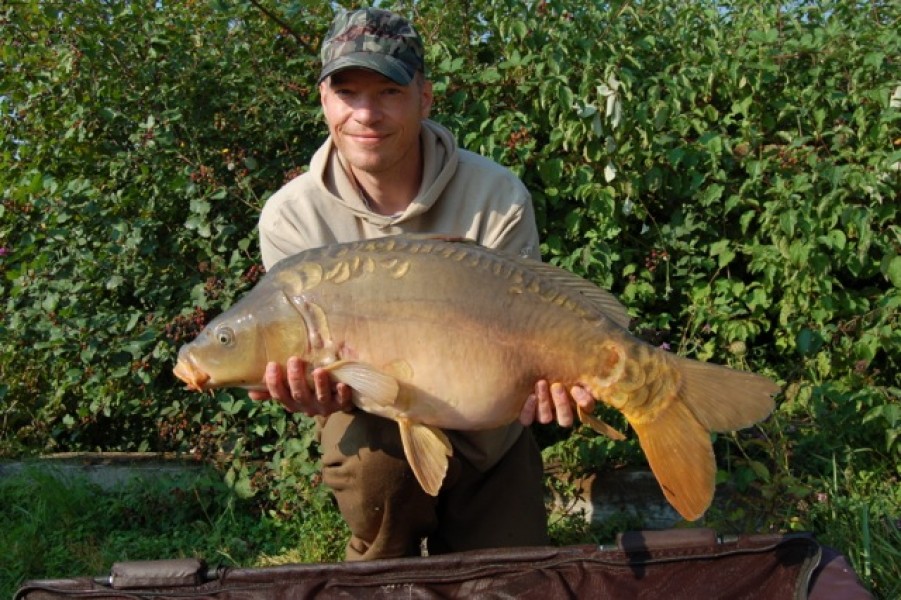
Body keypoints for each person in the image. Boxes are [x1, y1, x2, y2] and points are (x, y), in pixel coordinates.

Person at [251, 7, 596, 561]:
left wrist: (557, 381)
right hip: (377, 428)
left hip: (491, 428)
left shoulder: (496, 193)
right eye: (347, 93)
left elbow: (536, 329)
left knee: (509, 579)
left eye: (388, 92)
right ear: (324, 102)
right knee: (372, 471)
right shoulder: (292, 217)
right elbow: (302, 361)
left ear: (424, 99)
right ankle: (385, 560)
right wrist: (301, 394)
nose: (366, 114)